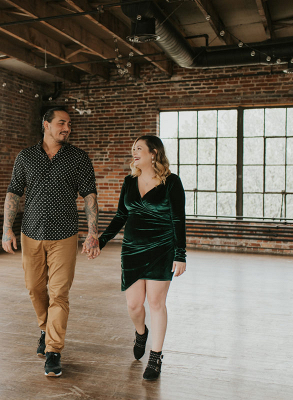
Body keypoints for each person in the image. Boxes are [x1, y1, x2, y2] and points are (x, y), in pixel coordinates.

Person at [2, 107, 100, 377]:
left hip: (65, 235)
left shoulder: (78, 158)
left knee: (59, 293)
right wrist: (6, 229)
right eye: (61, 123)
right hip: (30, 232)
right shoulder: (25, 157)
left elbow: (89, 195)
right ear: (46, 124)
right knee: (34, 289)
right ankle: (44, 329)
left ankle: (53, 350)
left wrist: (93, 233)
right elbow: (14, 191)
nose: (67, 128)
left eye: (69, 124)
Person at [96, 135, 186, 381]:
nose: (134, 153)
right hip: (133, 249)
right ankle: (140, 332)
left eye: (138, 149)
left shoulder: (172, 182)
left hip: (162, 249)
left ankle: (155, 358)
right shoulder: (129, 181)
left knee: (156, 303)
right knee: (134, 305)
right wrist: (101, 241)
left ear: (153, 153)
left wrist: (180, 255)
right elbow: (120, 216)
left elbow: (178, 220)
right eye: (133, 149)